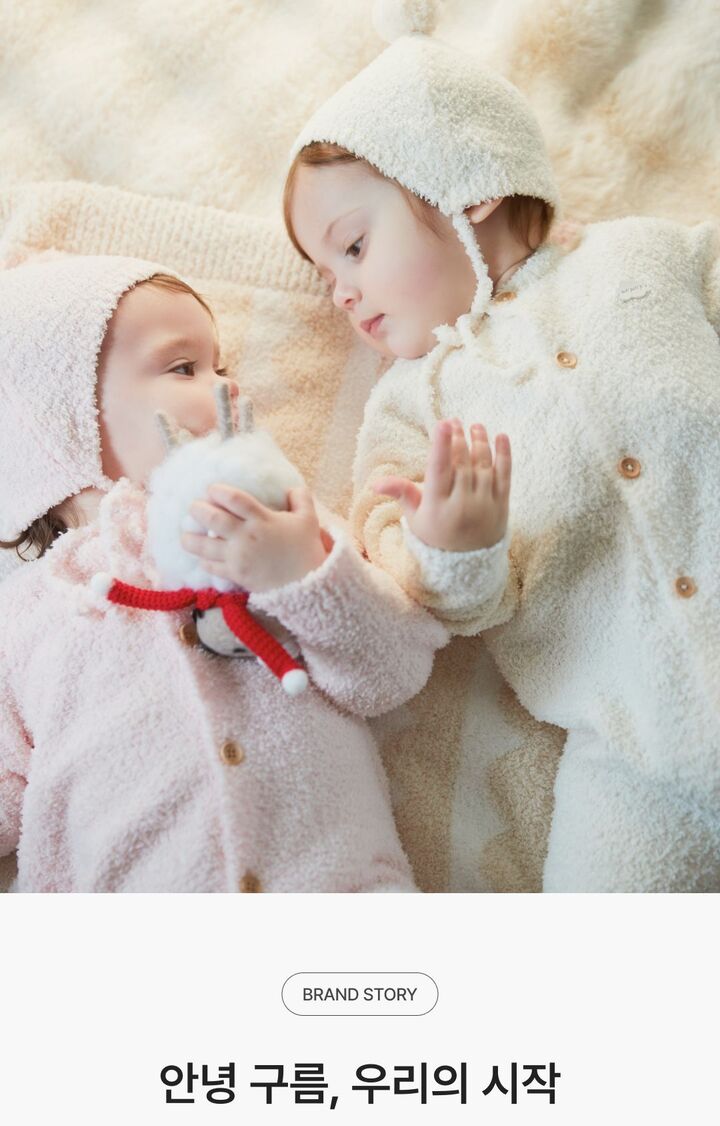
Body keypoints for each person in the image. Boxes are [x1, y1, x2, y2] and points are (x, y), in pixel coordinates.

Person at [284, 1, 720, 891]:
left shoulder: (646, 257)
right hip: (637, 756)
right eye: (325, 275)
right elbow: (418, 583)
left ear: (469, 186)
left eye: (354, 246)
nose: (341, 292)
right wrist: (453, 547)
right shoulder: (411, 409)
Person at [0, 253, 451, 893]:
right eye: (184, 368)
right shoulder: (27, 616)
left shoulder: (283, 522)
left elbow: (391, 675)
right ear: (59, 416)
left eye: (222, 367)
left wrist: (302, 575)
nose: (230, 388)